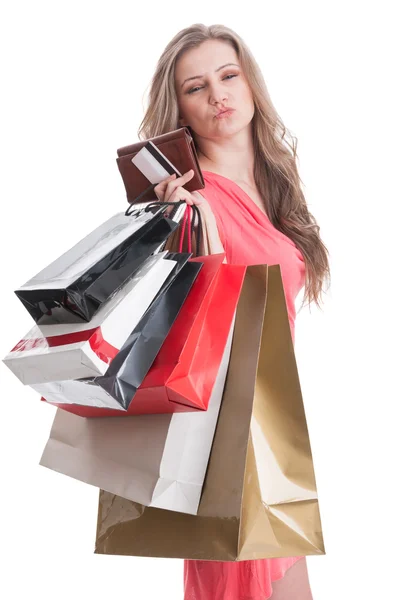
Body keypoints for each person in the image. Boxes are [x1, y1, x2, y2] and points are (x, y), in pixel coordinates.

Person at [143, 23, 330, 600]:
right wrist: (187, 231)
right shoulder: (189, 198)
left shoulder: (273, 182)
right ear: (181, 109)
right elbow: (194, 316)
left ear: (251, 83)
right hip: (225, 430)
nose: (218, 95)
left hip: (273, 424)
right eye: (196, 87)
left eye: (228, 75)